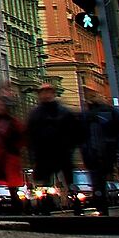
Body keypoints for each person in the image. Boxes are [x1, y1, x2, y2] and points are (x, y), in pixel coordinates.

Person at [25, 81, 79, 210]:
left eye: (48, 92)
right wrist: (33, 153)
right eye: (42, 92)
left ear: (53, 94)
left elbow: (75, 131)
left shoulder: (64, 112)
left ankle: (74, 199)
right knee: (43, 181)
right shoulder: (35, 114)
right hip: (44, 153)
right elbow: (30, 135)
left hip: (62, 151)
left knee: (67, 178)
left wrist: (70, 145)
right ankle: (45, 203)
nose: (45, 95)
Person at [80, 94, 119, 214]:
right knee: (105, 176)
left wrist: (84, 149)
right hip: (108, 151)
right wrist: (115, 142)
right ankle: (104, 202)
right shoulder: (111, 112)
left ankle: (101, 205)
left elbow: (79, 135)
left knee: (97, 180)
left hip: (91, 152)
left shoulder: (86, 115)